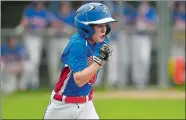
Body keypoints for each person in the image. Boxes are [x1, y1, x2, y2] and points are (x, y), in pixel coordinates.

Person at [43, 2, 117, 119]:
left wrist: (95, 62)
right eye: (99, 25)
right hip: (62, 107)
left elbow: (90, 69)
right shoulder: (77, 45)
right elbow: (79, 80)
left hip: (86, 105)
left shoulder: (103, 42)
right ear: (86, 26)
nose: (104, 29)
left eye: (105, 24)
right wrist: (99, 61)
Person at [15, 1, 55, 89]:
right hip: (29, 38)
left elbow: (53, 22)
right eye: (38, 2)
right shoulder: (29, 10)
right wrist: (19, 29)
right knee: (33, 60)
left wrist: (51, 28)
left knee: (36, 61)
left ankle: (34, 83)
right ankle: (24, 83)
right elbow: (24, 22)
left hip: (40, 39)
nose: (39, 3)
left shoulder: (45, 12)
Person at [47, 1, 75, 87]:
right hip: (54, 40)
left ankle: (63, 82)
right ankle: (53, 83)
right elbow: (50, 30)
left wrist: (63, 27)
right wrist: (55, 27)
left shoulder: (71, 17)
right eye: (63, 6)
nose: (65, 8)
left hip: (65, 41)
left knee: (65, 63)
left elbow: (73, 31)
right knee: (52, 62)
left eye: (66, 6)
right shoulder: (55, 16)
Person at [131, 1, 157, 89]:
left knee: (144, 59)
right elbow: (129, 23)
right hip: (135, 36)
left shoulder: (151, 11)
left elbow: (154, 25)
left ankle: (144, 80)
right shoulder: (136, 9)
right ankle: (136, 80)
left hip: (145, 36)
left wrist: (146, 23)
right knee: (136, 60)